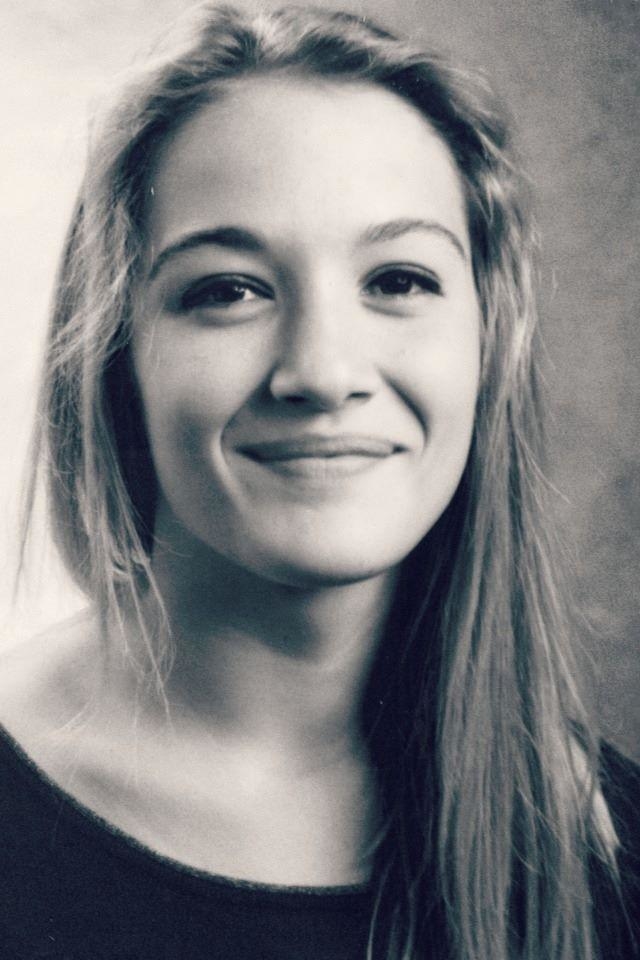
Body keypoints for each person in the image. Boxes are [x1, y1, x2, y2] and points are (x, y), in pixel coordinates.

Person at [0, 4, 637, 959]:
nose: (324, 372)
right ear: (115, 359)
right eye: (229, 289)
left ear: (488, 344)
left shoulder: (607, 851)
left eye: (399, 280)